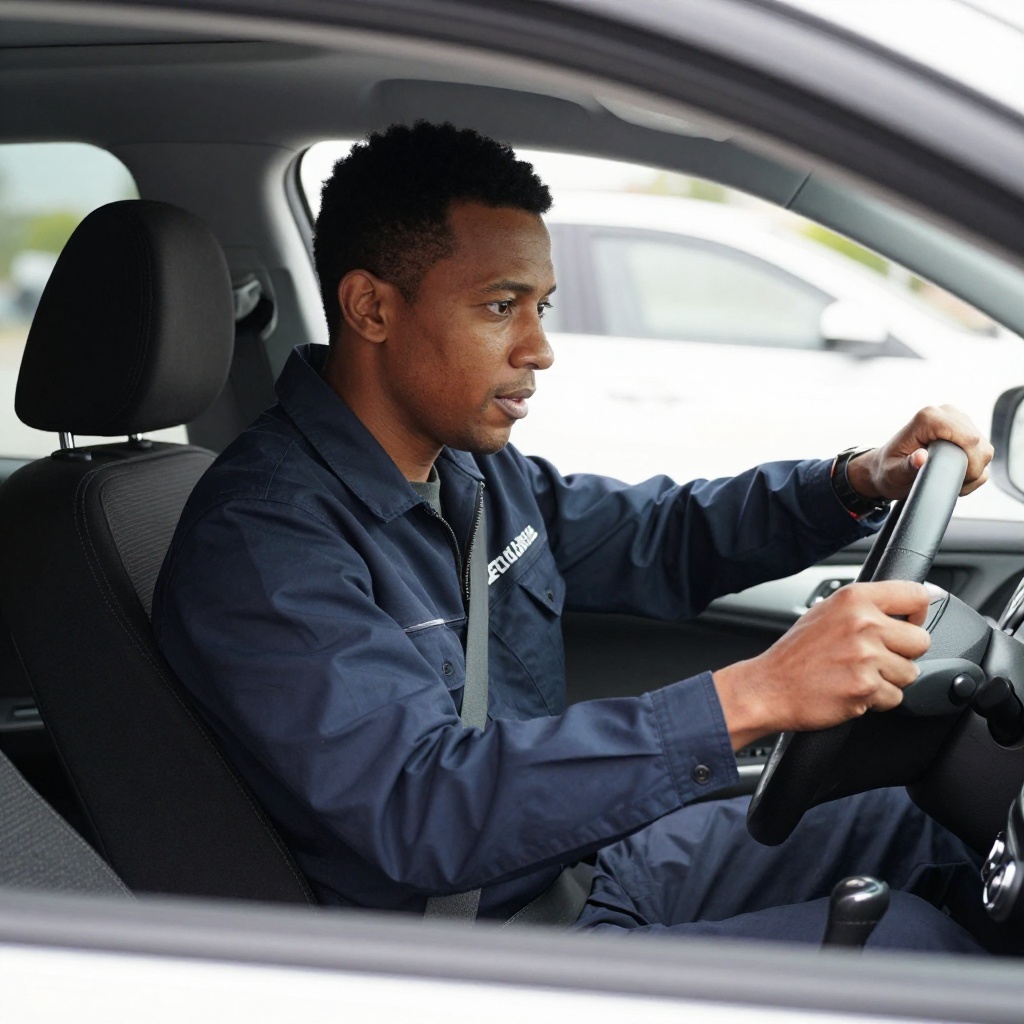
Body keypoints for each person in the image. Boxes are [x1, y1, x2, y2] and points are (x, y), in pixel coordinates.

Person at [152, 121, 995, 951]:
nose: (541, 348)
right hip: (468, 951)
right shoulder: (264, 543)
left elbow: (664, 536)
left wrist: (855, 479)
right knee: (917, 943)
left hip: (572, 872)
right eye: (499, 306)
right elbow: (418, 811)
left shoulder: (472, 472)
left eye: (541, 306)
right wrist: (756, 695)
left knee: (921, 821)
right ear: (371, 307)